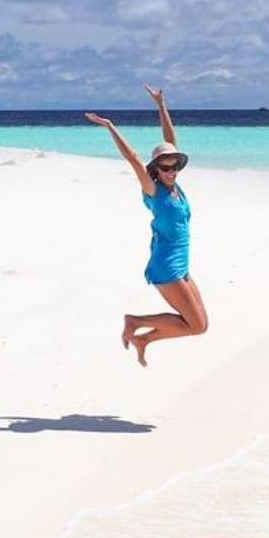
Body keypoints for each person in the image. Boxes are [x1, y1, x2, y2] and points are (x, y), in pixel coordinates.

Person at [84, 86, 208, 367]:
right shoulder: (154, 190)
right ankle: (135, 322)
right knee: (196, 326)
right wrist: (110, 126)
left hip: (182, 264)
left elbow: (170, 141)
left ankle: (143, 339)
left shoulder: (176, 186)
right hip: (166, 266)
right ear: (155, 170)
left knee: (201, 323)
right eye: (164, 167)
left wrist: (161, 104)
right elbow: (133, 160)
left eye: (174, 165)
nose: (171, 170)